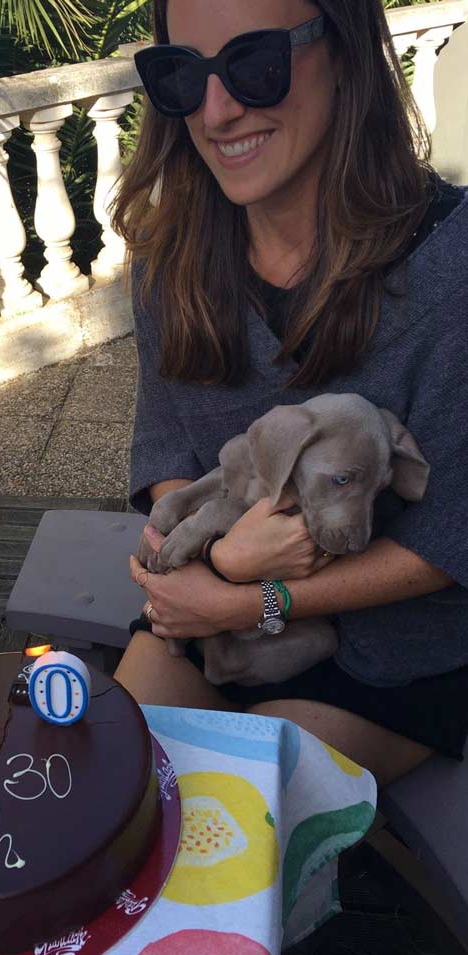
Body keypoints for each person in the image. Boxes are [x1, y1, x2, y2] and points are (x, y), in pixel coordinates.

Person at [110, 0, 468, 787]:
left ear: (344, 55)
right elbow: (170, 448)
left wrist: (250, 600)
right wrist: (211, 567)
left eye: (254, 64)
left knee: (226, 817)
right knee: (106, 787)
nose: (217, 108)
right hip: (214, 609)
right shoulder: (170, 261)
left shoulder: (453, 269)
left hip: (400, 657)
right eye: (183, 75)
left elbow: (451, 537)